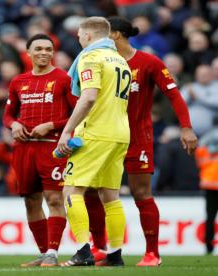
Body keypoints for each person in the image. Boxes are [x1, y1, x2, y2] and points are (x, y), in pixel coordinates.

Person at [84, 16, 198, 267]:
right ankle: (101, 249)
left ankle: (152, 254)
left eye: (102, 33)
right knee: (91, 191)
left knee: (140, 192)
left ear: (115, 35)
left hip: (137, 138)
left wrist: (186, 127)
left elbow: (174, 95)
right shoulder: (99, 61)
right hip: (103, 137)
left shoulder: (148, 62)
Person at [56, 16, 131, 267]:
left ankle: (82, 252)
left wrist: (67, 131)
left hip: (96, 132)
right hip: (120, 133)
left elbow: (88, 97)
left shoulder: (91, 57)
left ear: (87, 35)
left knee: (71, 189)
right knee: (110, 195)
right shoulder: (121, 60)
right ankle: (116, 255)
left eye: (79, 35)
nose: (78, 39)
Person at [2, 33, 76, 267]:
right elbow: (8, 115)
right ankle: (45, 253)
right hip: (24, 149)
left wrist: (51, 125)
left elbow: (78, 114)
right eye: (39, 49)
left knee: (54, 198)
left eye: (48, 49)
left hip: (52, 148)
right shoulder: (18, 81)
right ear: (29, 53)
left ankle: (53, 252)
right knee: (31, 201)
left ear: (53, 53)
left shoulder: (64, 79)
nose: (44, 53)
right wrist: (14, 124)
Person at [195, 126, 218, 255]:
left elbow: (199, 161)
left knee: (210, 217)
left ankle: (209, 247)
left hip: (209, 183)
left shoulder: (206, 139)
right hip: (211, 183)